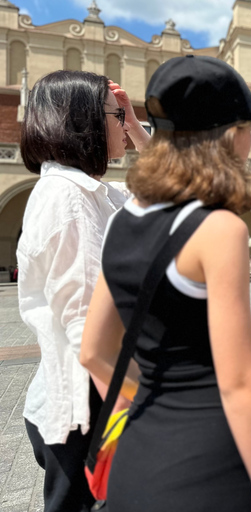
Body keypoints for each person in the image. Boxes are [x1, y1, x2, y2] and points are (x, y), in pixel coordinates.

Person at [79, 56, 251, 511]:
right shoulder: (219, 229)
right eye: (249, 127)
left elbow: (93, 352)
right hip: (209, 467)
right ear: (231, 135)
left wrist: (149, 404)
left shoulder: (123, 222)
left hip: (137, 463)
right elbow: (239, 384)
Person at [17, 70, 149, 512]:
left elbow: (172, 188)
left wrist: (132, 121)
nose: (125, 128)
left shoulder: (89, 192)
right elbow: (88, 325)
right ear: (84, 120)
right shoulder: (68, 198)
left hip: (91, 397)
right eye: (116, 117)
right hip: (87, 406)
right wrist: (132, 413)